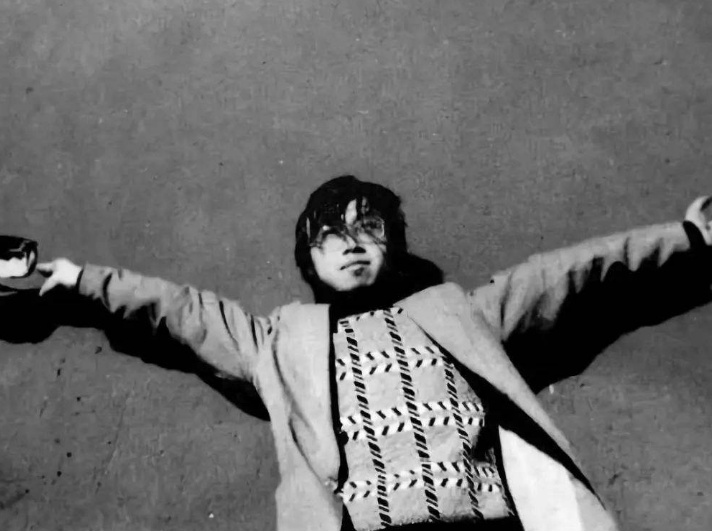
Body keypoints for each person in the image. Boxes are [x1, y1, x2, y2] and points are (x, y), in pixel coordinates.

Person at [36, 176, 712, 531]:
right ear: (309, 258)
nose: (352, 242)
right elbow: (179, 311)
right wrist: (75, 278)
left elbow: (574, 275)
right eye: (330, 235)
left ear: (394, 243)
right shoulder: (280, 340)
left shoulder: (461, 312)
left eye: (369, 227)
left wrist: (685, 239)